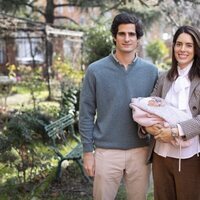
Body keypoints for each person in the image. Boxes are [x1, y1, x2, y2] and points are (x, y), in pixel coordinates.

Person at [79, 12, 158, 200]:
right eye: (122, 34)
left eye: (131, 34)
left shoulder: (152, 71)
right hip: (107, 152)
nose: (127, 38)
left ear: (138, 39)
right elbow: (86, 113)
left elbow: (158, 109)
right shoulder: (95, 70)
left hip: (141, 151)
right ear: (114, 36)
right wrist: (88, 152)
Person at [145, 25, 200, 200]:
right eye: (179, 44)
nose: (182, 49)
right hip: (161, 155)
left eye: (189, 45)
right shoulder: (163, 77)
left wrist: (176, 131)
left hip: (191, 158)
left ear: (196, 49)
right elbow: (149, 106)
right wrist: (151, 128)